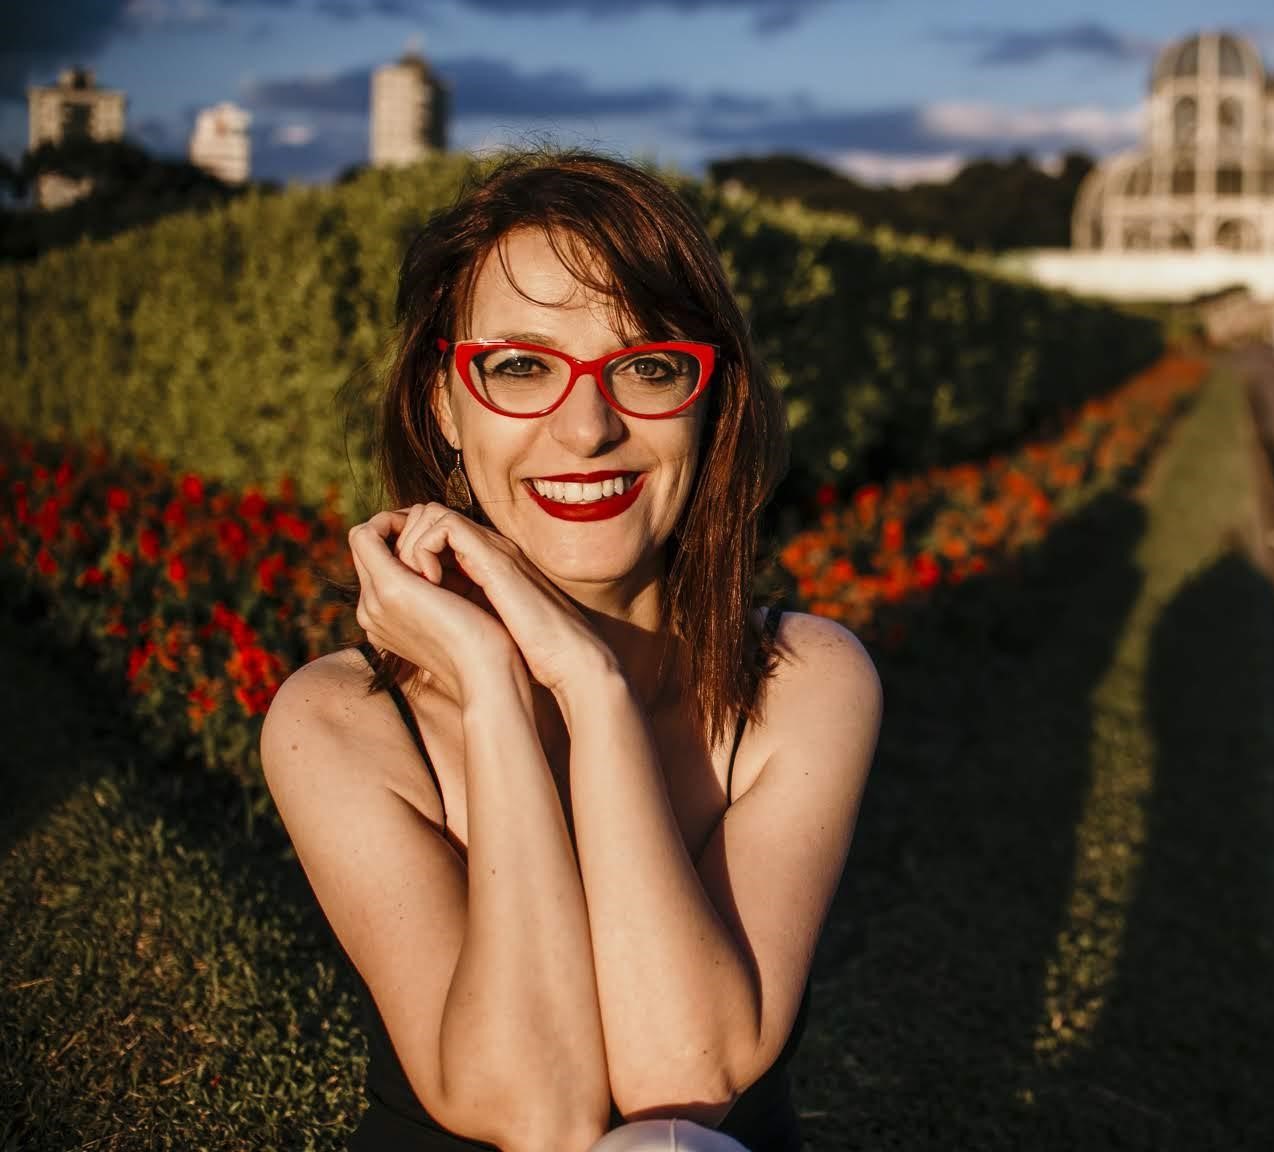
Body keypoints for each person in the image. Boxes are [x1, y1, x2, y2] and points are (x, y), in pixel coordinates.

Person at [260, 149, 883, 1152]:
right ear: (443, 405)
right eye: (519, 367)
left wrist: (589, 689)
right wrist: (498, 689)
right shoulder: (337, 722)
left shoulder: (803, 681)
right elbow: (532, 1113)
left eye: (646, 366)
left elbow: (679, 1086)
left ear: (706, 400)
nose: (587, 425)